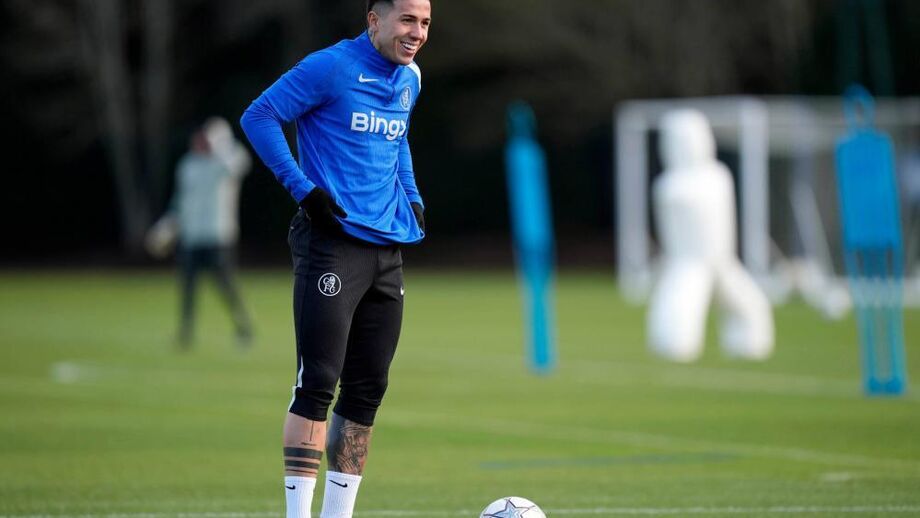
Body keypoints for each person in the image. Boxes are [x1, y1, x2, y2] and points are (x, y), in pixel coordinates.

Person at [239, 1, 430, 516]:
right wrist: (303, 189)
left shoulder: (410, 77)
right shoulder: (330, 67)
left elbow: (399, 138)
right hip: (331, 243)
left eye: (426, 23)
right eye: (407, 20)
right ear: (374, 20)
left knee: (368, 390)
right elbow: (258, 115)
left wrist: (411, 197)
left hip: (387, 251)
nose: (417, 33)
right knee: (318, 382)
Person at [647, 109, 773, 362]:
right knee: (679, 311)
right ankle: (675, 344)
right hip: (687, 261)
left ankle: (747, 343)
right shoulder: (670, 186)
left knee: (751, 307)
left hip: (721, 257)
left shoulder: (717, 177)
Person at [149, 117, 254, 347]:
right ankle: (185, 333)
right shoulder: (187, 166)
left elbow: (239, 163)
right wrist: (167, 226)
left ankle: (244, 327)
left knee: (226, 286)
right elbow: (180, 201)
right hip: (191, 236)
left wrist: (220, 141)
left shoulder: (225, 161)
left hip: (218, 236)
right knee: (187, 287)